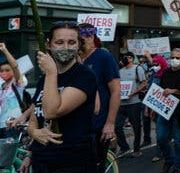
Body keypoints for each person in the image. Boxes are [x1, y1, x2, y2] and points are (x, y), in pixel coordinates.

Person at [26, 21, 98, 173]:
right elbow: (35, 117)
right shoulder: (43, 80)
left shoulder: (84, 76)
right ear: (48, 45)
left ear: (79, 45)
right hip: (41, 160)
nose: (66, 47)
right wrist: (34, 133)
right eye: (59, 42)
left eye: (71, 42)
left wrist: (51, 72)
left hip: (71, 162)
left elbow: (52, 112)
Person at [78, 23, 120, 173]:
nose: (85, 39)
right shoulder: (73, 59)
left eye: (89, 36)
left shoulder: (104, 57)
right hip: (77, 125)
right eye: (81, 37)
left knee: (95, 167)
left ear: (94, 36)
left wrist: (110, 123)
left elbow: (115, 91)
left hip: (98, 123)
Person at [156, 48, 180, 173]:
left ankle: (178, 167)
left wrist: (173, 91)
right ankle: (169, 160)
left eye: (177, 58)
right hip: (164, 110)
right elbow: (159, 90)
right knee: (161, 138)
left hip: (179, 112)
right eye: (172, 57)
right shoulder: (166, 72)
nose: (174, 60)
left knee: (178, 141)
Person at [115, 51, 146, 157]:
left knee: (136, 126)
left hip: (134, 103)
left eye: (127, 57)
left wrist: (133, 93)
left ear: (132, 59)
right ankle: (124, 147)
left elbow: (144, 83)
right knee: (116, 126)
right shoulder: (120, 71)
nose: (125, 59)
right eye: (124, 57)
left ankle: (136, 149)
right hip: (121, 103)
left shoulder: (138, 69)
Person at [0, 42, 25, 139]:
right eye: (1, 70)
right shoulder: (2, 86)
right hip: (2, 125)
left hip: (13, 124)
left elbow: (15, 66)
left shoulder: (17, 82)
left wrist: (4, 50)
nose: (4, 72)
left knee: (10, 152)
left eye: (7, 70)